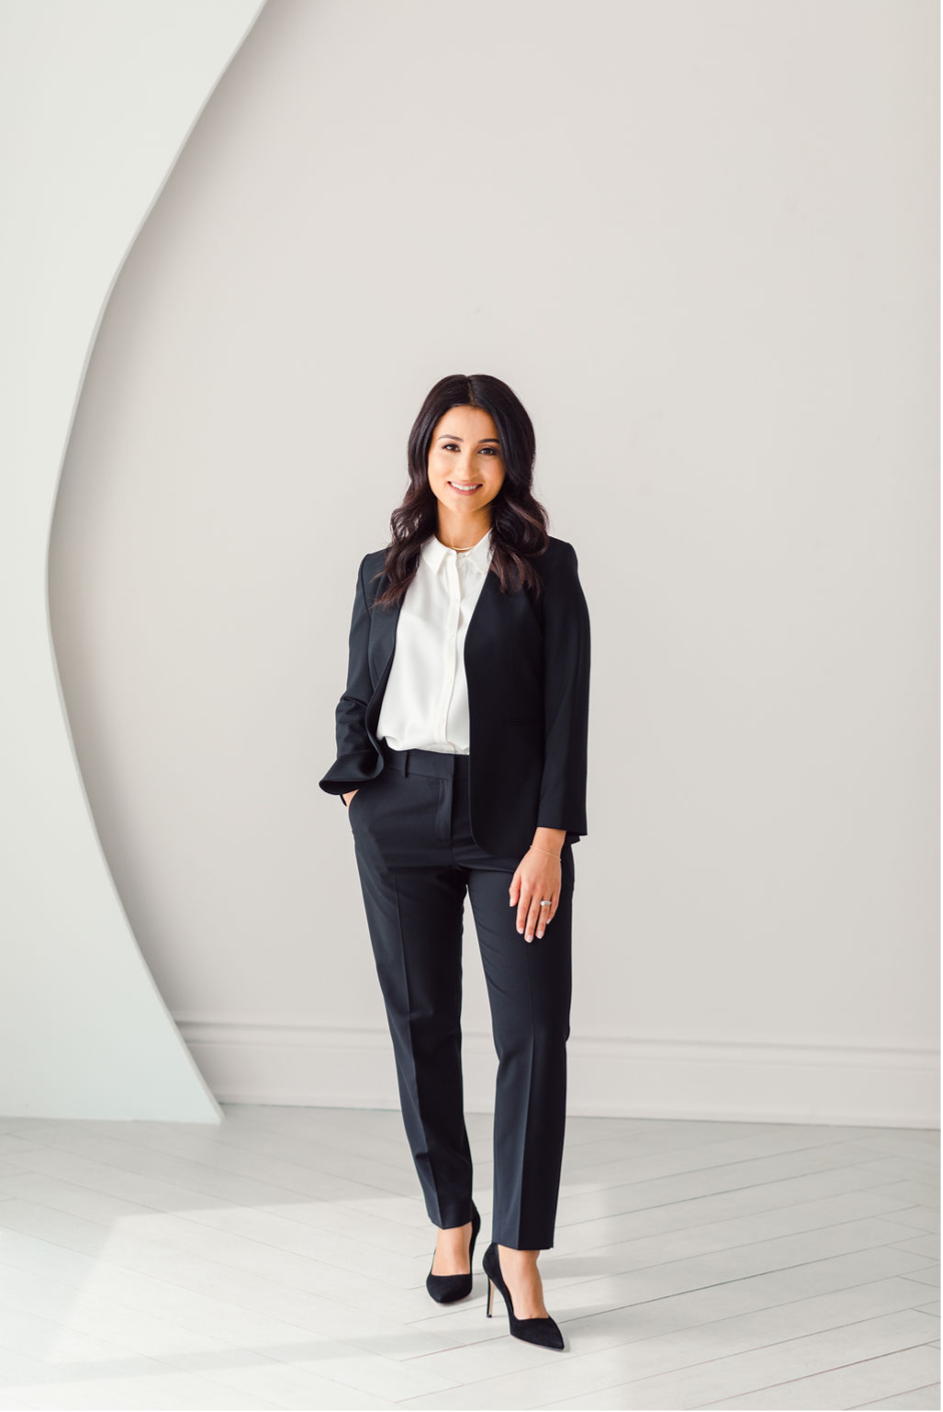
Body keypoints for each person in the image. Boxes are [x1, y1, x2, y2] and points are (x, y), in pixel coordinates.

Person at [319, 373, 591, 1351]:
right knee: (420, 1023)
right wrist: (357, 791)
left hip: (511, 824)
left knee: (534, 1032)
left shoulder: (545, 567)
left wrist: (550, 837)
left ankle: (518, 1249)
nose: (465, 467)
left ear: (509, 460)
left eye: (485, 448)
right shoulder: (382, 568)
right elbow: (358, 692)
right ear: (423, 455)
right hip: (397, 812)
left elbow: (566, 709)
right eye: (448, 446)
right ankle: (451, 1218)